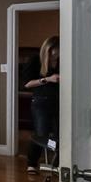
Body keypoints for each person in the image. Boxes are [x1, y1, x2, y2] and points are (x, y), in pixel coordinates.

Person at [22, 35, 60, 173]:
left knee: (58, 134)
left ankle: (56, 163)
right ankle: (31, 163)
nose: (57, 55)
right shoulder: (35, 60)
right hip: (41, 102)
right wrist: (48, 79)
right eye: (55, 52)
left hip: (59, 101)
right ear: (49, 49)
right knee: (41, 133)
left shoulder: (62, 61)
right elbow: (27, 84)